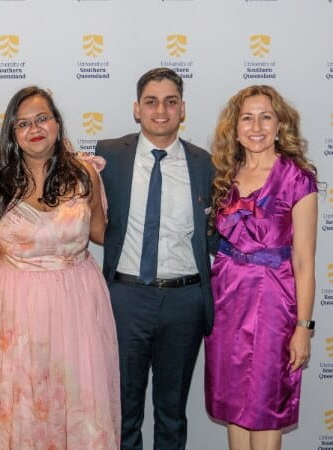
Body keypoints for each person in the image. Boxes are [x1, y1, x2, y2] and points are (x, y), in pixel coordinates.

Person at [0, 86, 120, 449]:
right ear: (12, 133)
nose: (34, 128)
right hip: (13, 310)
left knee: (80, 402)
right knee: (19, 403)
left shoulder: (86, 173)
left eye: (42, 118)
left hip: (78, 307)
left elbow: (103, 232)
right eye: (22, 123)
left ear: (57, 123)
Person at [95, 67, 215, 450]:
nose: (160, 110)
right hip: (126, 298)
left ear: (183, 110)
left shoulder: (204, 164)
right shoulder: (108, 155)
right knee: (124, 409)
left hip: (184, 300)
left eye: (170, 101)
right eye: (151, 101)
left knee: (171, 412)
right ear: (136, 109)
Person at [204, 85, 317, 450]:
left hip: (274, 303)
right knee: (234, 401)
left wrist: (303, 328)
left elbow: (303, 260)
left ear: (279, 124)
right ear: (234, 128)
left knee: (267, 404)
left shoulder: (297, 178)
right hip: (226, 301)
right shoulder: (225, 175)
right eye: (247, 117)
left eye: (265, 117)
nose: (256, 126)